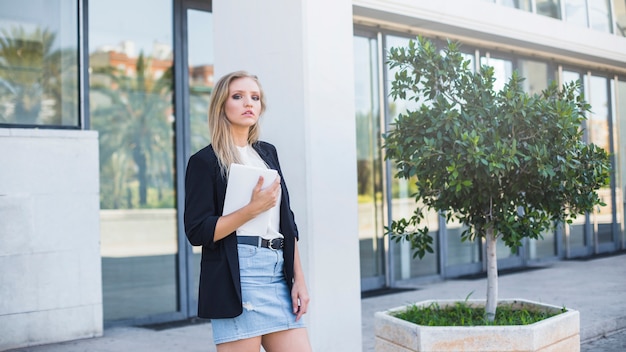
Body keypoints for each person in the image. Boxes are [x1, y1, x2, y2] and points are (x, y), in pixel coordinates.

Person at [184, 70, 312, 352]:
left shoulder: (267, 153)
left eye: (255, 97)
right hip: (238, 275)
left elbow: (287, 224)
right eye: (238, 96)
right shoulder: (204, 161)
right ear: (222, 105)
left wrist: (298, 280)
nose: (248, 103)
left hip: (277, 271)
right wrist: (251, 210)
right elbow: (197, 231)